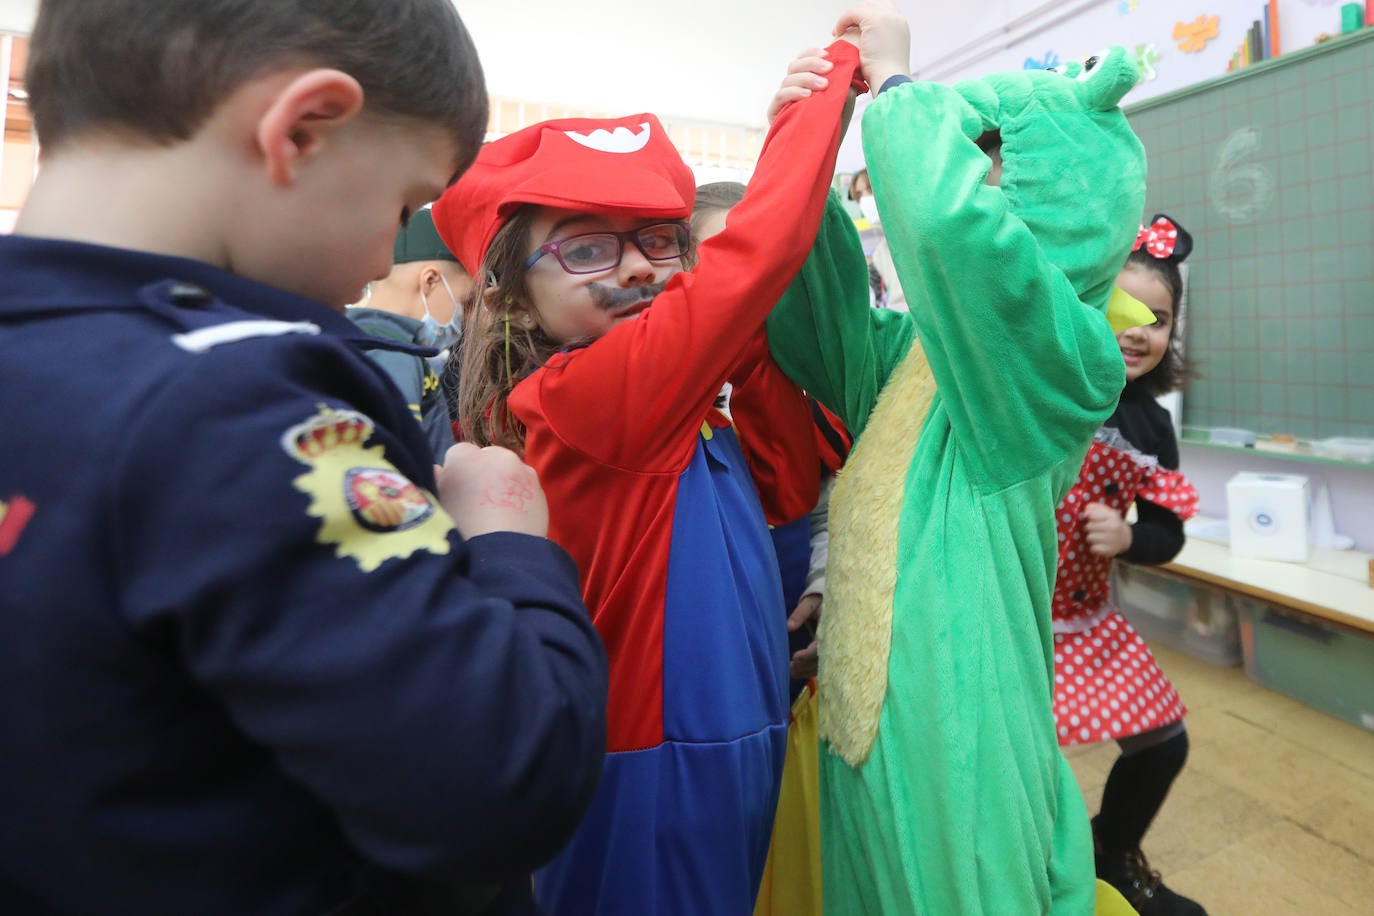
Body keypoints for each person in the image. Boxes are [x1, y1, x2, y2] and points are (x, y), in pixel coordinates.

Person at [0, 2, 608, 914]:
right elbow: (505, 778)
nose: (383, 254)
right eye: (401, 206)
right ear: (303, 129)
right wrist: (507, 545)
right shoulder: (246, 407)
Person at [429, 18, 879, 913]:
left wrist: (741, 342)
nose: (637, 268)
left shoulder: (676, 407)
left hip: (727, 734)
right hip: (655, 757)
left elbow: (787, 484)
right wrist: (821, 98)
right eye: (587, 248)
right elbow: (752, 263)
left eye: (657, 239)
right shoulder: (588, 397)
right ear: (514, 304)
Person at [765, 24, 1153, 915]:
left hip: (957, 728)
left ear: (1060, 207)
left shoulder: (1062, 358)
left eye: (992, 168)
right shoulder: (924, 358)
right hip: (868, 715)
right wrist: (802, 146)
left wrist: (899, 88)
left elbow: (952, 231)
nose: (966, 179)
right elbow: (818, 323)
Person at [1052, 214, 1206, 916]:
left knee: (1163, 743)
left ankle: (1110, 856)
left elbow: (1168, 533)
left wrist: (1128, 537)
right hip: (1013, 616)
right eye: (1126, 308)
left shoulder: (1152, 424)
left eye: (1160, 318)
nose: (1140, 330)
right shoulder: (1054, 388)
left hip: (1088, 619)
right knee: (1025, 763)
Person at [350, 206, 473, 460]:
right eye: (465, 301)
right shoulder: (393, 356)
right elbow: (394, 462)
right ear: (430, 281)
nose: (466, 316)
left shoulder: (354, 341)